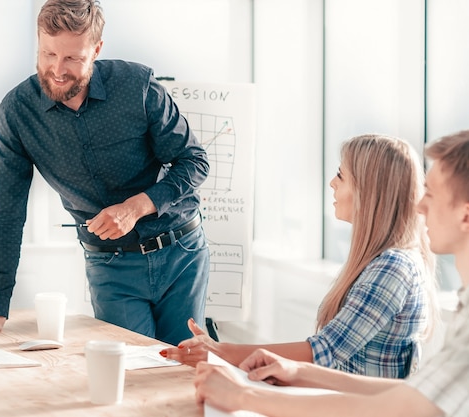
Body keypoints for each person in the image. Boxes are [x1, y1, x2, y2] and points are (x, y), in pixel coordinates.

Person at [0, 0, 210, 346]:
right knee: (126, 373)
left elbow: (194, 161)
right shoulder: (18, 111)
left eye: (72, 58)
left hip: (181, 253)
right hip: (111, 266)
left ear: (96, 50)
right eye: (48, 54)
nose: (58, 70)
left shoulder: (138, 85)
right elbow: (7, 209)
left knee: (186, 370)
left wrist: (137, 206)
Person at [193, 128, 469, 417]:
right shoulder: (468, 302)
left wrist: (244, 393)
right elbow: (411, 391)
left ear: (466, 216)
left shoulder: (397, 268)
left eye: (431, 194)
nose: (420, 204)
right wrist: (297, 372)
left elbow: (409, 405)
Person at [163, 134, 439, 378]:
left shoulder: (392, 267)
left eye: (341, 176)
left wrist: (221, 351)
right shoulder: (384, 260)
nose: (332, 183)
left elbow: (324, 350)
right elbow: (335, 364)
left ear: (370, 191)